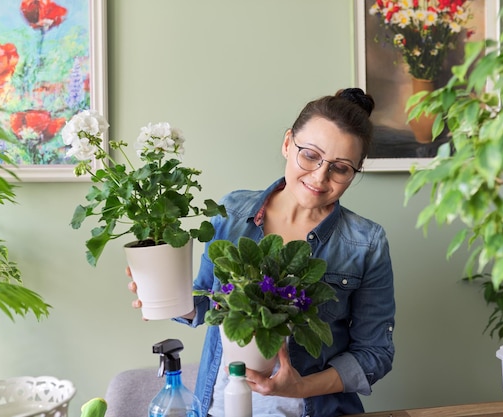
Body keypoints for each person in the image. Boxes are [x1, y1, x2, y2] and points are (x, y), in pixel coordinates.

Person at [128, 88, 395, 417]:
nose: (319, 177)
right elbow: (206, 303)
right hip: (220, 408)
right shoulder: (233, 211)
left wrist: (300, 386)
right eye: (310, 155)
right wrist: (162, 292)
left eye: (340, 168)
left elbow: (374, 354)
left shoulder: (366, 242)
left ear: (355, 172)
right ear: (287, 143)